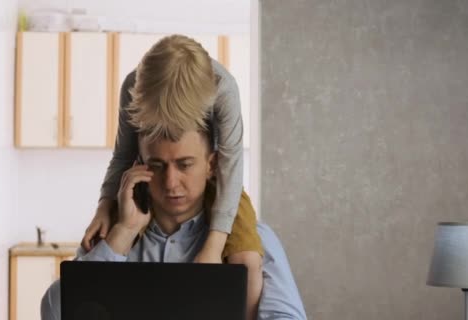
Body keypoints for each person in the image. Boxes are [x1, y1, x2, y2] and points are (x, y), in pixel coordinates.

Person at [81, 34, 264, 319]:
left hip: (221, 180)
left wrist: (214, 245)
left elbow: (232, 163)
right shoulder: (133, 85)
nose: (170, 182)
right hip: (160, 179)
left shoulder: (224, 88)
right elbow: (122, 154)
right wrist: (104, 205)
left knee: (247, 260)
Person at [42, 126, 307, 320]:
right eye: (157, 166)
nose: (170, 183)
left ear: (211, 165)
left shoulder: (254, 240)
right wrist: (123, 232)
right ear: (139, 167)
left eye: (185, 165)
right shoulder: (112, 239)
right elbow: (55, 311)